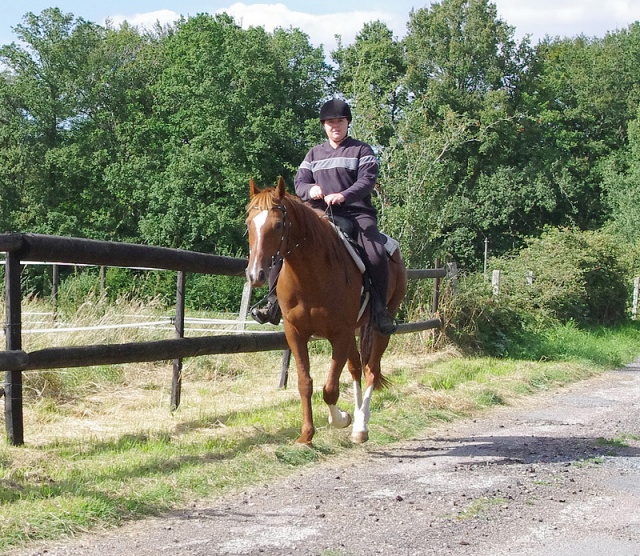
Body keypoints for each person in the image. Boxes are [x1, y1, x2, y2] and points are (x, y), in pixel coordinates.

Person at [251, 98, 397, 335]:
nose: (335, 126)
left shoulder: (362, 150)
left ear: (347, 122)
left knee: (376, 252)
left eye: (339, 121)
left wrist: (344, 195)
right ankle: (273, 303)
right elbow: (300, 182)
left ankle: (380, 310)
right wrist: (311, 190)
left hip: (356, 212)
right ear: (324, 125)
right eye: (330, 122)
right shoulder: (313, 154)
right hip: (318, 214)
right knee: (283, 246)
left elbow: (367, 181)